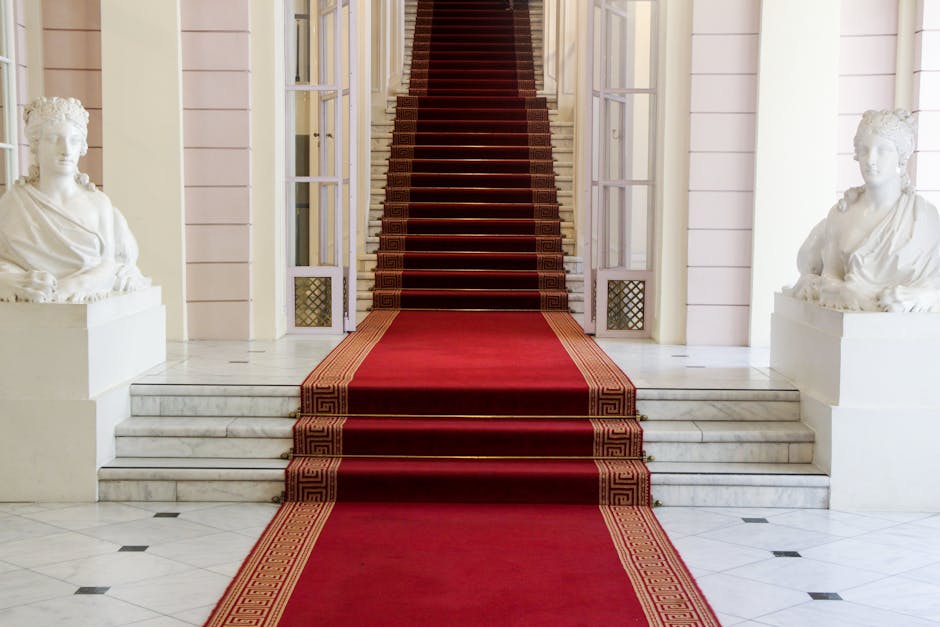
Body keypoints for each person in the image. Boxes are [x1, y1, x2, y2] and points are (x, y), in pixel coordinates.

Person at [0, 96, 150, 303]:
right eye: (54, 139)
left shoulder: (98, 204)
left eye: (74, 140)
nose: (66, 150)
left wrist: (71, 286)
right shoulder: (14, 203)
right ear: (36, 144)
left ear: (82, 146)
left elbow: (108, 265)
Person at [788, 109, 940, 312]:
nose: (871, 160)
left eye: (883, 150)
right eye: (864, 150)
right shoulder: (841, 214)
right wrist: (844, 291)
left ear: (901, 156)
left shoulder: (923, 217)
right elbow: (831, 275)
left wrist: (924, 296)